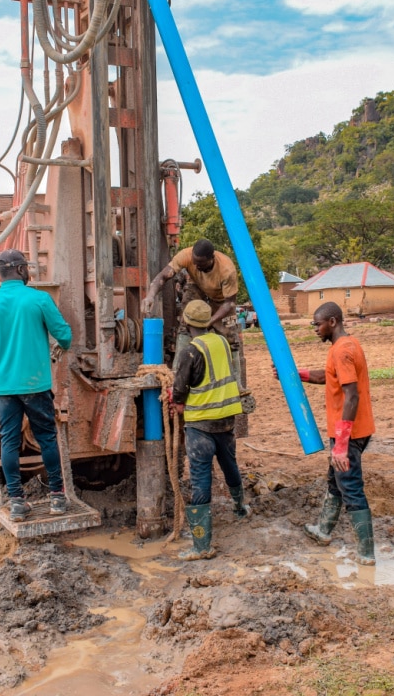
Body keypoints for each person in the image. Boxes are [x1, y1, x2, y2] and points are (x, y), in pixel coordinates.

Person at [0, 249, 74, 522]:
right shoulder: (39, 299)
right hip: (35, 384)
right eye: (27, 268)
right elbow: (64, 335)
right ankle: (56, 498)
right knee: (46, 438)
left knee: (9, 441)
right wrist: (58, 346)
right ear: (20, 270)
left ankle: (17, 502)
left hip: (4, 387)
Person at [294, 301, 377, 565]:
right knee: (336, 481)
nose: (315, 329)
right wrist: (298, 374)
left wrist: (341, 444)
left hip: (349, 433)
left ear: (332, 322)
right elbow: (330, 378)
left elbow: (351, 395)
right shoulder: (344, 346)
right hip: (350, 430)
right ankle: (324, 530)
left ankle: (366, 553)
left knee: (350, 486)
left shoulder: (342, 351)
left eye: (317, 324)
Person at [170, 299, 249, 560]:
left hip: (200, 424)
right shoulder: (222, 343)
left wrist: (178, 405)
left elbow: (179, 390)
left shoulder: (189, 352)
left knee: (200, 478)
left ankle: (201, 547)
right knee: (230, 465)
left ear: (186, 322)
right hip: (226, 420)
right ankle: (240, 508)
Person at [141, 239, 245, 388]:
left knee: (229, 336)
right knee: (187, 322)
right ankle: (176, 374)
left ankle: (237, 384)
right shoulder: (186, 255)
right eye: (194, 262)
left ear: (211, 259)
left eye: (200, 264)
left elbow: (229, 303)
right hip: (196, 287)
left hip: (221, 299)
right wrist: (151, 295)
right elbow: (163, 276)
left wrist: (209, 322)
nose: (196, 266)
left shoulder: (227, 270)